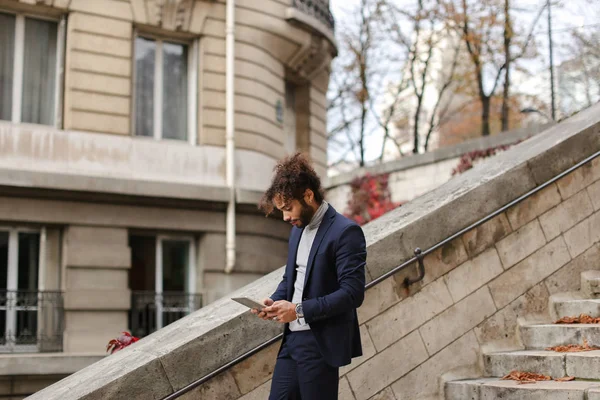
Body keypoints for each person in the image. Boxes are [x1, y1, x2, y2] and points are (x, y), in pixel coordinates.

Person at [253, 152, 367, 400]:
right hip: (292, 340)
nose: (285, 217)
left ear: (308, 195)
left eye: (288, 208)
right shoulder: (297, 230)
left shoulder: (346, 232)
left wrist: (299, 310)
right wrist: (273, 302)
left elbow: (353, 294)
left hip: (319, 342)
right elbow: (291, 279)